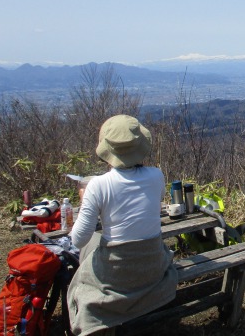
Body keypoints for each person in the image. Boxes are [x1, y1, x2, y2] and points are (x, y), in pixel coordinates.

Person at [67, 115, 177, 336]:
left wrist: (85, 200)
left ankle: (99, 320)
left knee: (89, 248)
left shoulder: (98, 185)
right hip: (152, 269)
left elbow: (78, 239)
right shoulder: (157, 176)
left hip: (116, 276)